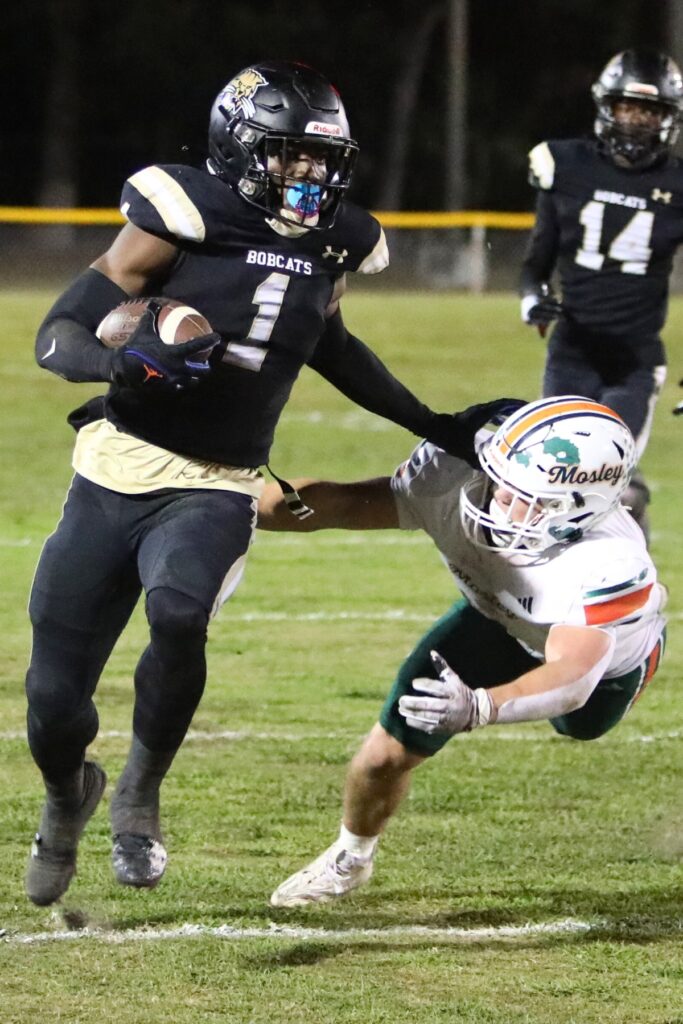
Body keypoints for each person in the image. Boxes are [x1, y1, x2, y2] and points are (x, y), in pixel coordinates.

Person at [25, 59, 512, 907]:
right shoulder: (178, 212)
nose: (309, 175)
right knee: (52, 701)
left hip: (219, 478)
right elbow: (56, 333)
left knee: (179, 611)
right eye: (288, 155)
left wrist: (435, 423)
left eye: (321, 159)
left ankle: (140, 793)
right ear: (238, 145)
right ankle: (67, 800)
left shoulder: (336, 239)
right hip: (117, 465)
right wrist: (121, 360)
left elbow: (329, 344)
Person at [256, 396, 667, 907]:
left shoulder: (610, 563)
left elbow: (573, 677)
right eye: (499, 477)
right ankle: (350, 858)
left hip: (597, 658)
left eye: (521, 495)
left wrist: (481, 707)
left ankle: (647, 644)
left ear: (573, 509)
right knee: (384, 753)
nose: (495, 497)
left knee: (580, 726)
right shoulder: (453, 474)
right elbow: (339, 502)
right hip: (495, 618)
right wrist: (226, 505)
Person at [519, 48, 683, 541]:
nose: (636, 121)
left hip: (634, 359)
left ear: (667, 119)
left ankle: (628, 573)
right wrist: (531, 300)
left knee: (609, 479)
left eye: (649, 111)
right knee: (557, 474)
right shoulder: (564, 164)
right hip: (571, 349)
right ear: (606, 108)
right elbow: (537, 261)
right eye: (629, 108)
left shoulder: (677, 185)